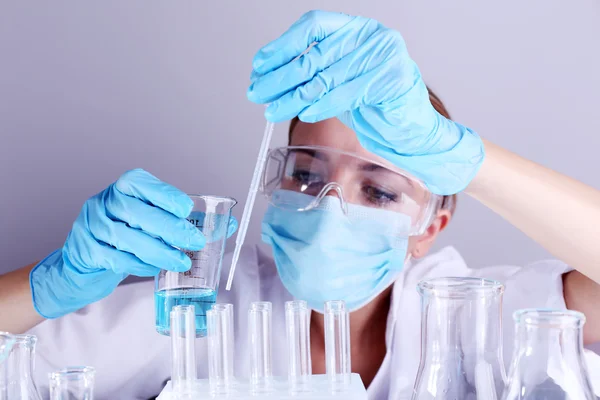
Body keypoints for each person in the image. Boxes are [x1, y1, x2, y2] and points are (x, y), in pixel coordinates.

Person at [1, 10, 600, 400]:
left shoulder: (477, 314)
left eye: (379, 190)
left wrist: (468, 160)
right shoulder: (204, 310)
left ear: (429, 226)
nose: (331, 208)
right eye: (307, 177)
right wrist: (48, 285)